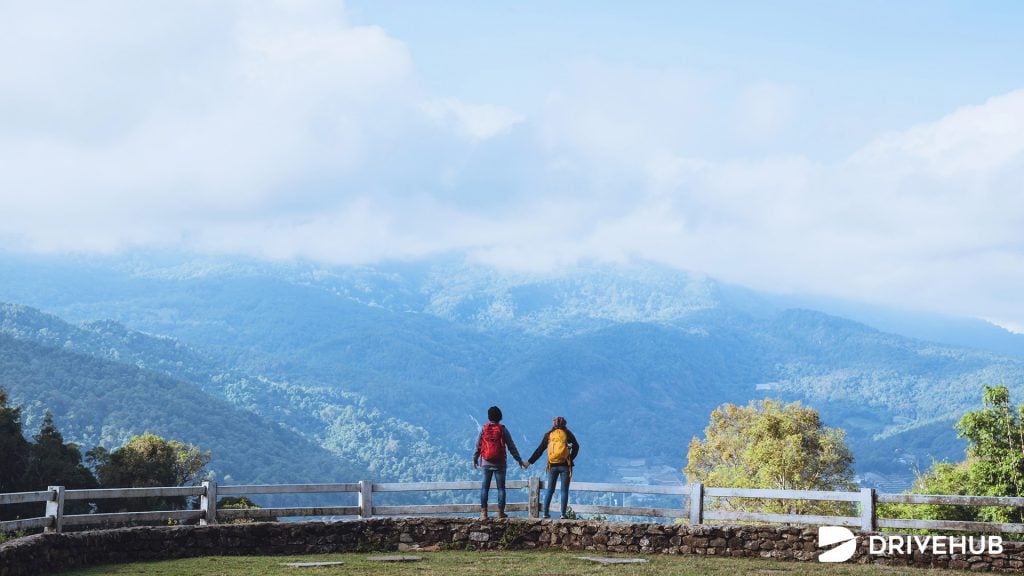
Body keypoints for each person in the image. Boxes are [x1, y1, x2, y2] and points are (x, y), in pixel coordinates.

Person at [473, 405, 527, 519]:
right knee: (501, 488)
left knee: (484, 488)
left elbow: (478, 445)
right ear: (500, 417)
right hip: (500, 463)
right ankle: (501, 513)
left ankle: (483, 513)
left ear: (489, 417)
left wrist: (475, 458)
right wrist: (519, 460)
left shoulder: (484, 429)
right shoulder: (502, 429)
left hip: (486, 463)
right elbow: (511, 446)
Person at [526, 415, 580, 519]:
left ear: (553, 424)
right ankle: (563, 514)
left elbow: (540, 450)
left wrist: (529, 462)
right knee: (564, 490)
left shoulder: (549, 435)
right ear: (564, 424)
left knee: (550, 490)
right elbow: (576, 447)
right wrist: (570, 458)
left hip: (552, 466)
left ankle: (545, 513)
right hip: (565, 466)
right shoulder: (568, 434)